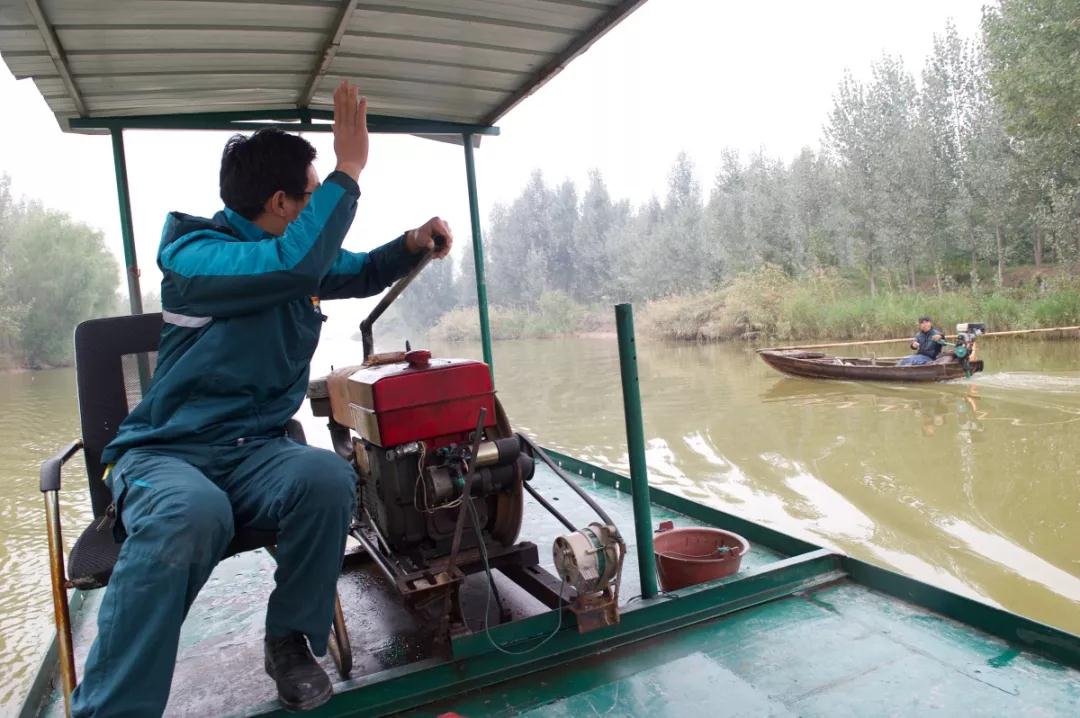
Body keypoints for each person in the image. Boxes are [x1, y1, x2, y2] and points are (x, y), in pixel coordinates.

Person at [70, 81, 453, 716]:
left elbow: (354, 269)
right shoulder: (197, 256)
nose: (319, 204)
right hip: (170, 453)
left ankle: (289, 642)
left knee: (327, 479)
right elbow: (295, 265)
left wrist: (411, 241)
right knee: (193, 514)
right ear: (280, 203)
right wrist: (349, 170)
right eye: (313, 195)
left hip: (255, 452)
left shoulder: (293, 256)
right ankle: (113, 707)